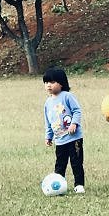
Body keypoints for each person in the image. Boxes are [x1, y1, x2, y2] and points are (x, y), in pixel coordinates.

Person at [43, 66, 85, 194]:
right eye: (46, 83)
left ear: (61, 83)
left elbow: (77, 111)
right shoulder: (47, 103)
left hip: (74, 138)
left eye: (52, 82)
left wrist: (74, 124)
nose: (48, 85)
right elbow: (48, 122)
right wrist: (48, 136)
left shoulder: (67, 96)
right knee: (60, 164)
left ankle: (79, 185)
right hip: (60, 140)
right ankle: (58, 184)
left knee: (76, 162)